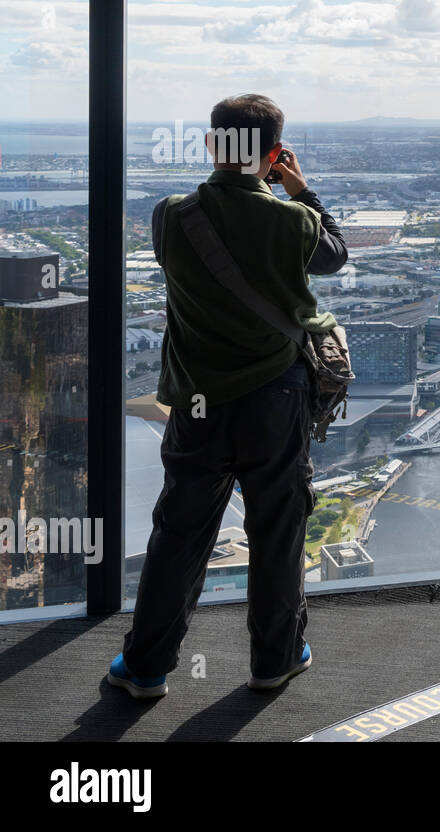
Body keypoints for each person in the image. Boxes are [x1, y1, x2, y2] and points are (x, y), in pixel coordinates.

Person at [107, 94, 348, 699]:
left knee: (179, 534)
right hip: (277, 399)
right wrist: (299, 188)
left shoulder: (172, 215)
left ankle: (145, 669)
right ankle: (276, 659)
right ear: (273, 154)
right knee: (277, 529)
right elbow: (334, 258)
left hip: (196, 403)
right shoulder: (295, 222)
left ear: (212, 146)